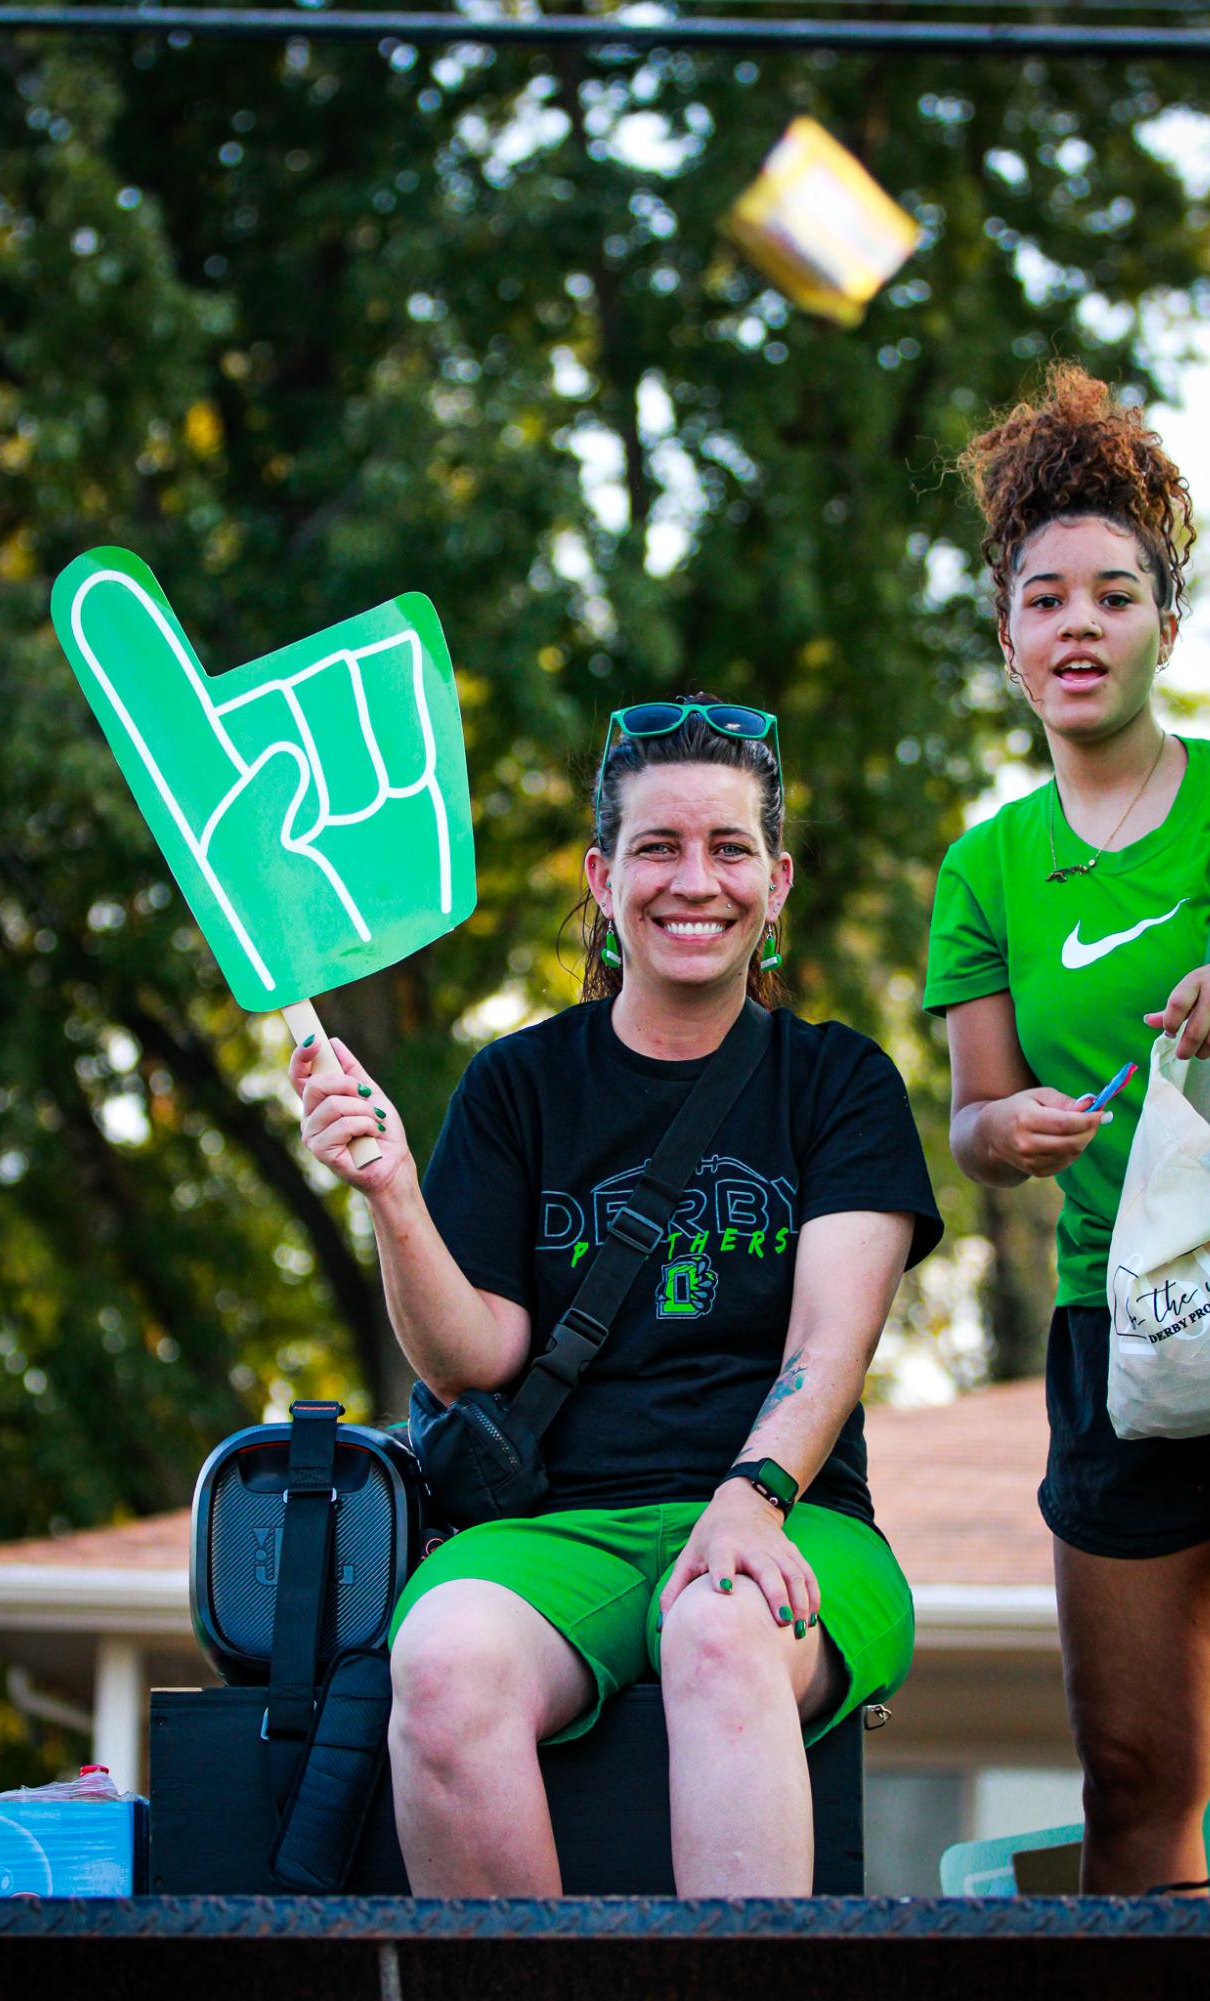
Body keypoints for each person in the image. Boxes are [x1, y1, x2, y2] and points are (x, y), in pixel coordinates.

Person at [292, 697, 942, 1897]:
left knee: (718, 1624)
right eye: (656, 848)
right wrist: (390, 1193)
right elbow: (469, 1360)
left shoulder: (841, 1080)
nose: (693, 882)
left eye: (727, 847)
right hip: (561, 1532)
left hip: (792, 1522)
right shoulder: (515, 1085)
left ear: (777, 879)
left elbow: (829, 1338)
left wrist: (751, 1499)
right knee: (436, 1663)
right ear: (600, 878)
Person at [924, 363, 1210, 1894]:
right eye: (1043, 600)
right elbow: (970, 1119)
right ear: (1009, 640)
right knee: (1136, 1770)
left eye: (1111, 594)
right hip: (1116, 1325)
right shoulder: (988, 867)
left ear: (1165, 622)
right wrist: (998, 1132)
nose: (1076, 624)